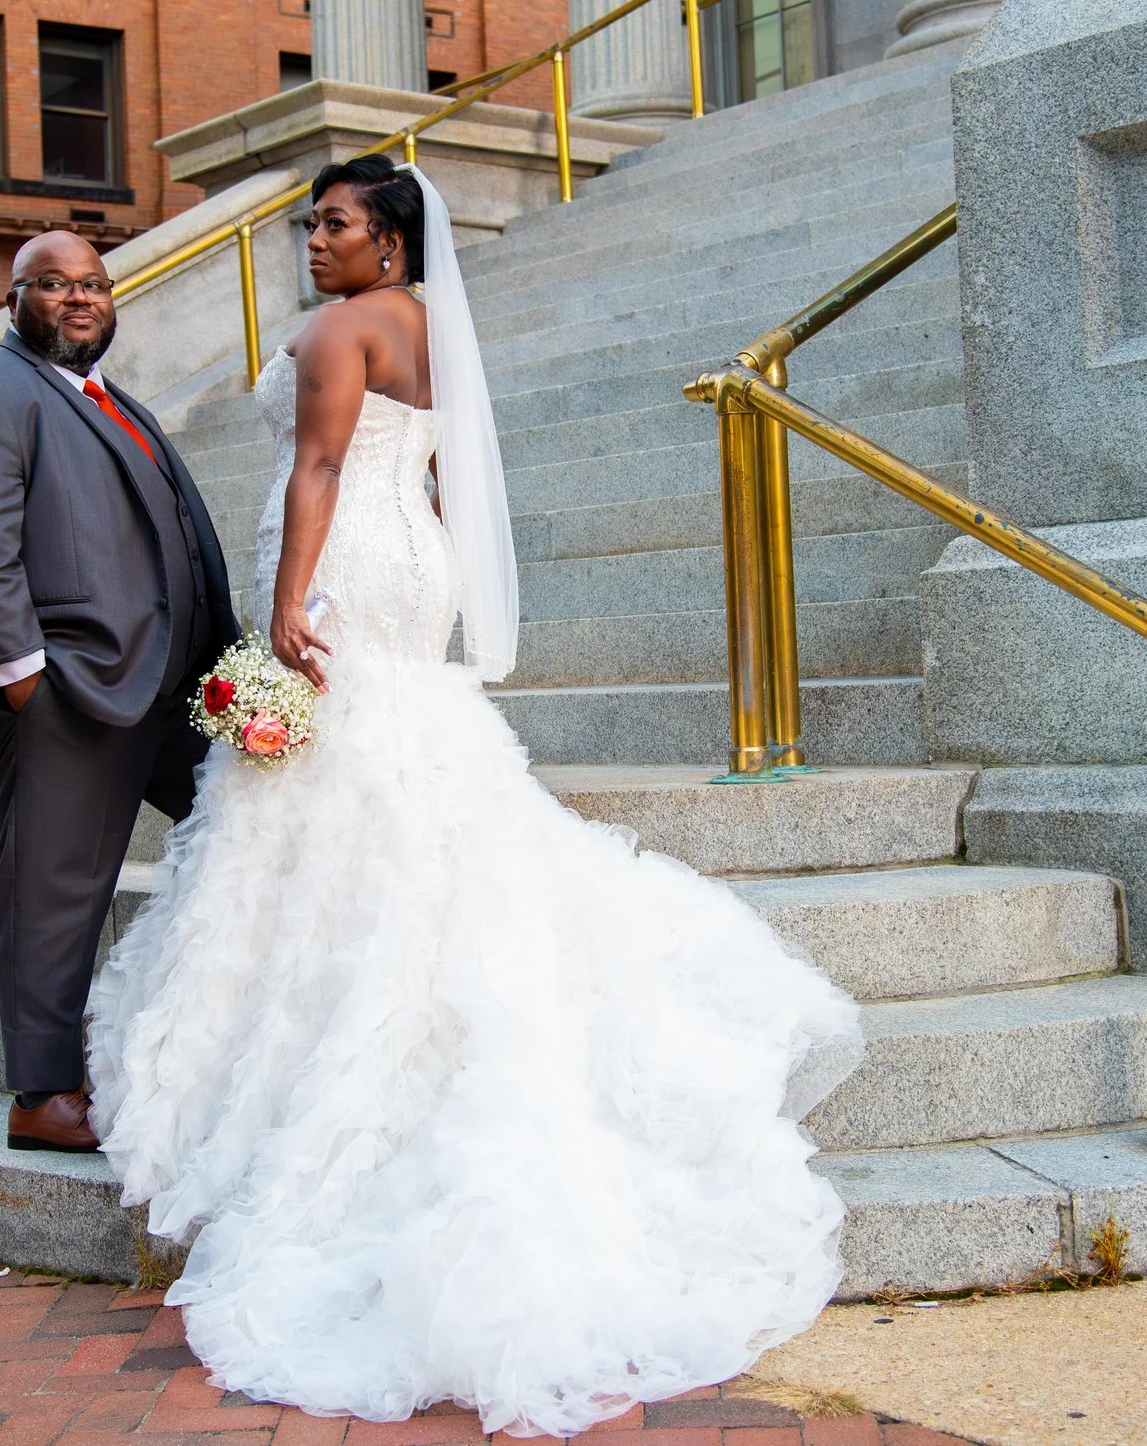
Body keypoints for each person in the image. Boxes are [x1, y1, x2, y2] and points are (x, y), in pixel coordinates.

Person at [87, 156, 865, 1437]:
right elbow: (439, 478)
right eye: (310, 224)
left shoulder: (337, 327)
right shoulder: (435, 329)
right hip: (417, 566)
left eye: (332, 223)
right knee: (404, 738)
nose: (312, 241)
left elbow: (319, 467)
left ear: (389, 242)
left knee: (336, 747)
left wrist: (286, 600)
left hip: (349, 557)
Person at [0, 230, 237, 1153]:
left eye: (93, 284)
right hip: (66, 690)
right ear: (14, 297)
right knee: (52, 892)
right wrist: (23, 680)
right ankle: (42, 1093)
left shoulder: (112, 398)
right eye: (53, 284)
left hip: (167, 686)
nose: (79, 299)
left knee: (252, 823)